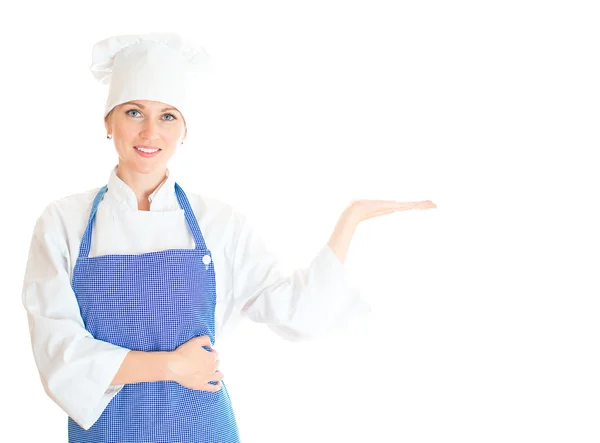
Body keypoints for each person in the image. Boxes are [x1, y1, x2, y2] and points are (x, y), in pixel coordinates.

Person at [21, 32, 436, 443]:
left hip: (201, 429)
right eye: (133, 112)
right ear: (107, 122)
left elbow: (295, 309)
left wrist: (352, 219)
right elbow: (57, 350)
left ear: (185, 130)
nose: (151, 132)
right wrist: (171, 366)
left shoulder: (220, 223)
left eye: (168, 116)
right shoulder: (62, 222)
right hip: (107, 432)